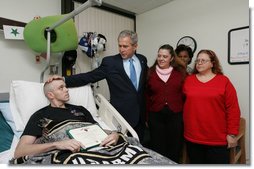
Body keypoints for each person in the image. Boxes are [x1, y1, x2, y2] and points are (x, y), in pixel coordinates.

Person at [48, 30, 148, 143]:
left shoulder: (142, 60)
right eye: (119, 45)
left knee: (140, 147)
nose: (121, 49)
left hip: (140, 115)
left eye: (125, 46)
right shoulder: (111, 63)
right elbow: (89, 76)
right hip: (121, 117)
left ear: (135, 46)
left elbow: (142, 87)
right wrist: (64, 79)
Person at [14, 78, 120, 159]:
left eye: (65, 86)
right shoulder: (40, 116)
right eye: (61, 88)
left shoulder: (81, 109)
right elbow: (20, 151)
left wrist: (114, 134)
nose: (67, 90)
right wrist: (57, 144)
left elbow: (96, 130)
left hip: (96, 149)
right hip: (67, 154)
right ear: (50, 95)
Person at [183, 49, 241, 164]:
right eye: (197, 60)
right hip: (193, 137)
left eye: (203, 60)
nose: (199, 63)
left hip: (217, 139)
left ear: (212, 63)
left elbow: (233, 109)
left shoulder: (223, 81)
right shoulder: (188, 80)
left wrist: (232, 134)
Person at [145, 44, 186, 163]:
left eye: (165, 56)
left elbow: (185, 95)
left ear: (171, 58)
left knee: (174, 147)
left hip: (176, 115)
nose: (161, 59)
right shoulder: (150, 73)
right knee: (158, 147)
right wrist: (147, 117)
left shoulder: (180, 73)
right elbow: (146, 97)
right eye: (159, 56)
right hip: (155, 116)